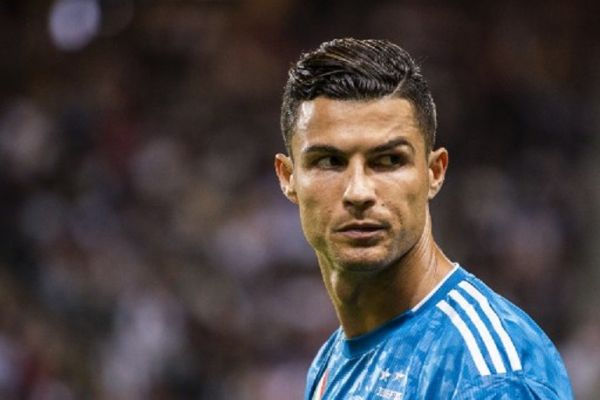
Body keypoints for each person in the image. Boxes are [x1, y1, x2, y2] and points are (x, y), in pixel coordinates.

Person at [274, 38, 573, 399]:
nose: (358, 192)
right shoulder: (331, 362)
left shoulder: (490, 376)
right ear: (288, 177)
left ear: (434, 172)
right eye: (328, 161)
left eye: (387, 161)